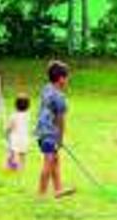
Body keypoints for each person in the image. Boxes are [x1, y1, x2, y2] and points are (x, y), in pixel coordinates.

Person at [35, 61, 75, 199]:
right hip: (50, 134)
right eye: (67, 77)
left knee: (55, 160)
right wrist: (60, 138)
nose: (67, 80)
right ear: (61, 79)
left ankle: (58, 189)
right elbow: (60, 120)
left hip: (41, 131)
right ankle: (41, 192)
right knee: (49, 162)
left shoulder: (46, 88)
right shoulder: (60, 97)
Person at [5, 94, 30, 171]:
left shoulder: (14, 115)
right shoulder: (27, 115)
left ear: (15, 105)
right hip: (25, 138)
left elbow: (10, 126)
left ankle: (15, 167)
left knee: (14, 153)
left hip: (15, 138)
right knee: (23, 154)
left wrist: (6, 132)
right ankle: (22, 167)